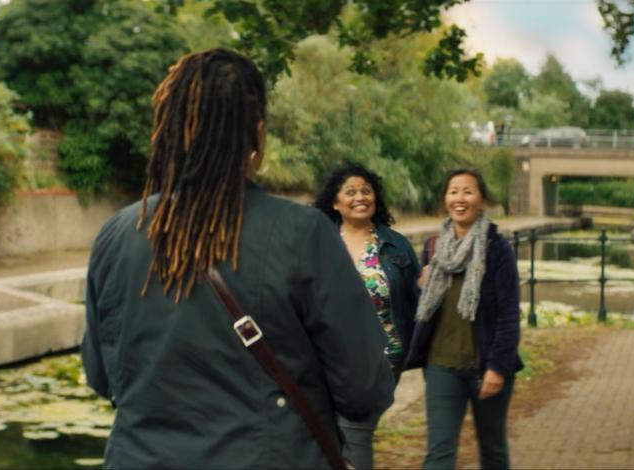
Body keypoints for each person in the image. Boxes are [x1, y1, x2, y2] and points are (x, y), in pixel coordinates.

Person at [80, 49, 395, 469]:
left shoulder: (118, 233)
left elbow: (102, 378)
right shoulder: (303, 233)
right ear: (258, 133)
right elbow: (365, 389)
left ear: (170, 131)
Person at [406, 168, 523, 469]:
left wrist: (498, 367)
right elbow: (425, 307)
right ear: (445, 199)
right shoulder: (433, 248)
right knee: (439, 453)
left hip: (486, 366)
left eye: (468, 191)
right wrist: (422, 286)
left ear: (481, 200)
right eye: (453, 191)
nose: (460, 198)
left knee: (493, 449)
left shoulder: (497, 249)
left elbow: (509, 314)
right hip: (441, 366)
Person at [313, 163, 421, 469]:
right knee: (328, 430)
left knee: (356, 426)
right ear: (335, 202)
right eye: (350, 192)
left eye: (366, 190)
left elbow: (416, 299)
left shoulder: (395, 244)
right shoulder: (320, 242)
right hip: (327, 355)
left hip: (383, 355)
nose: (360, 197)